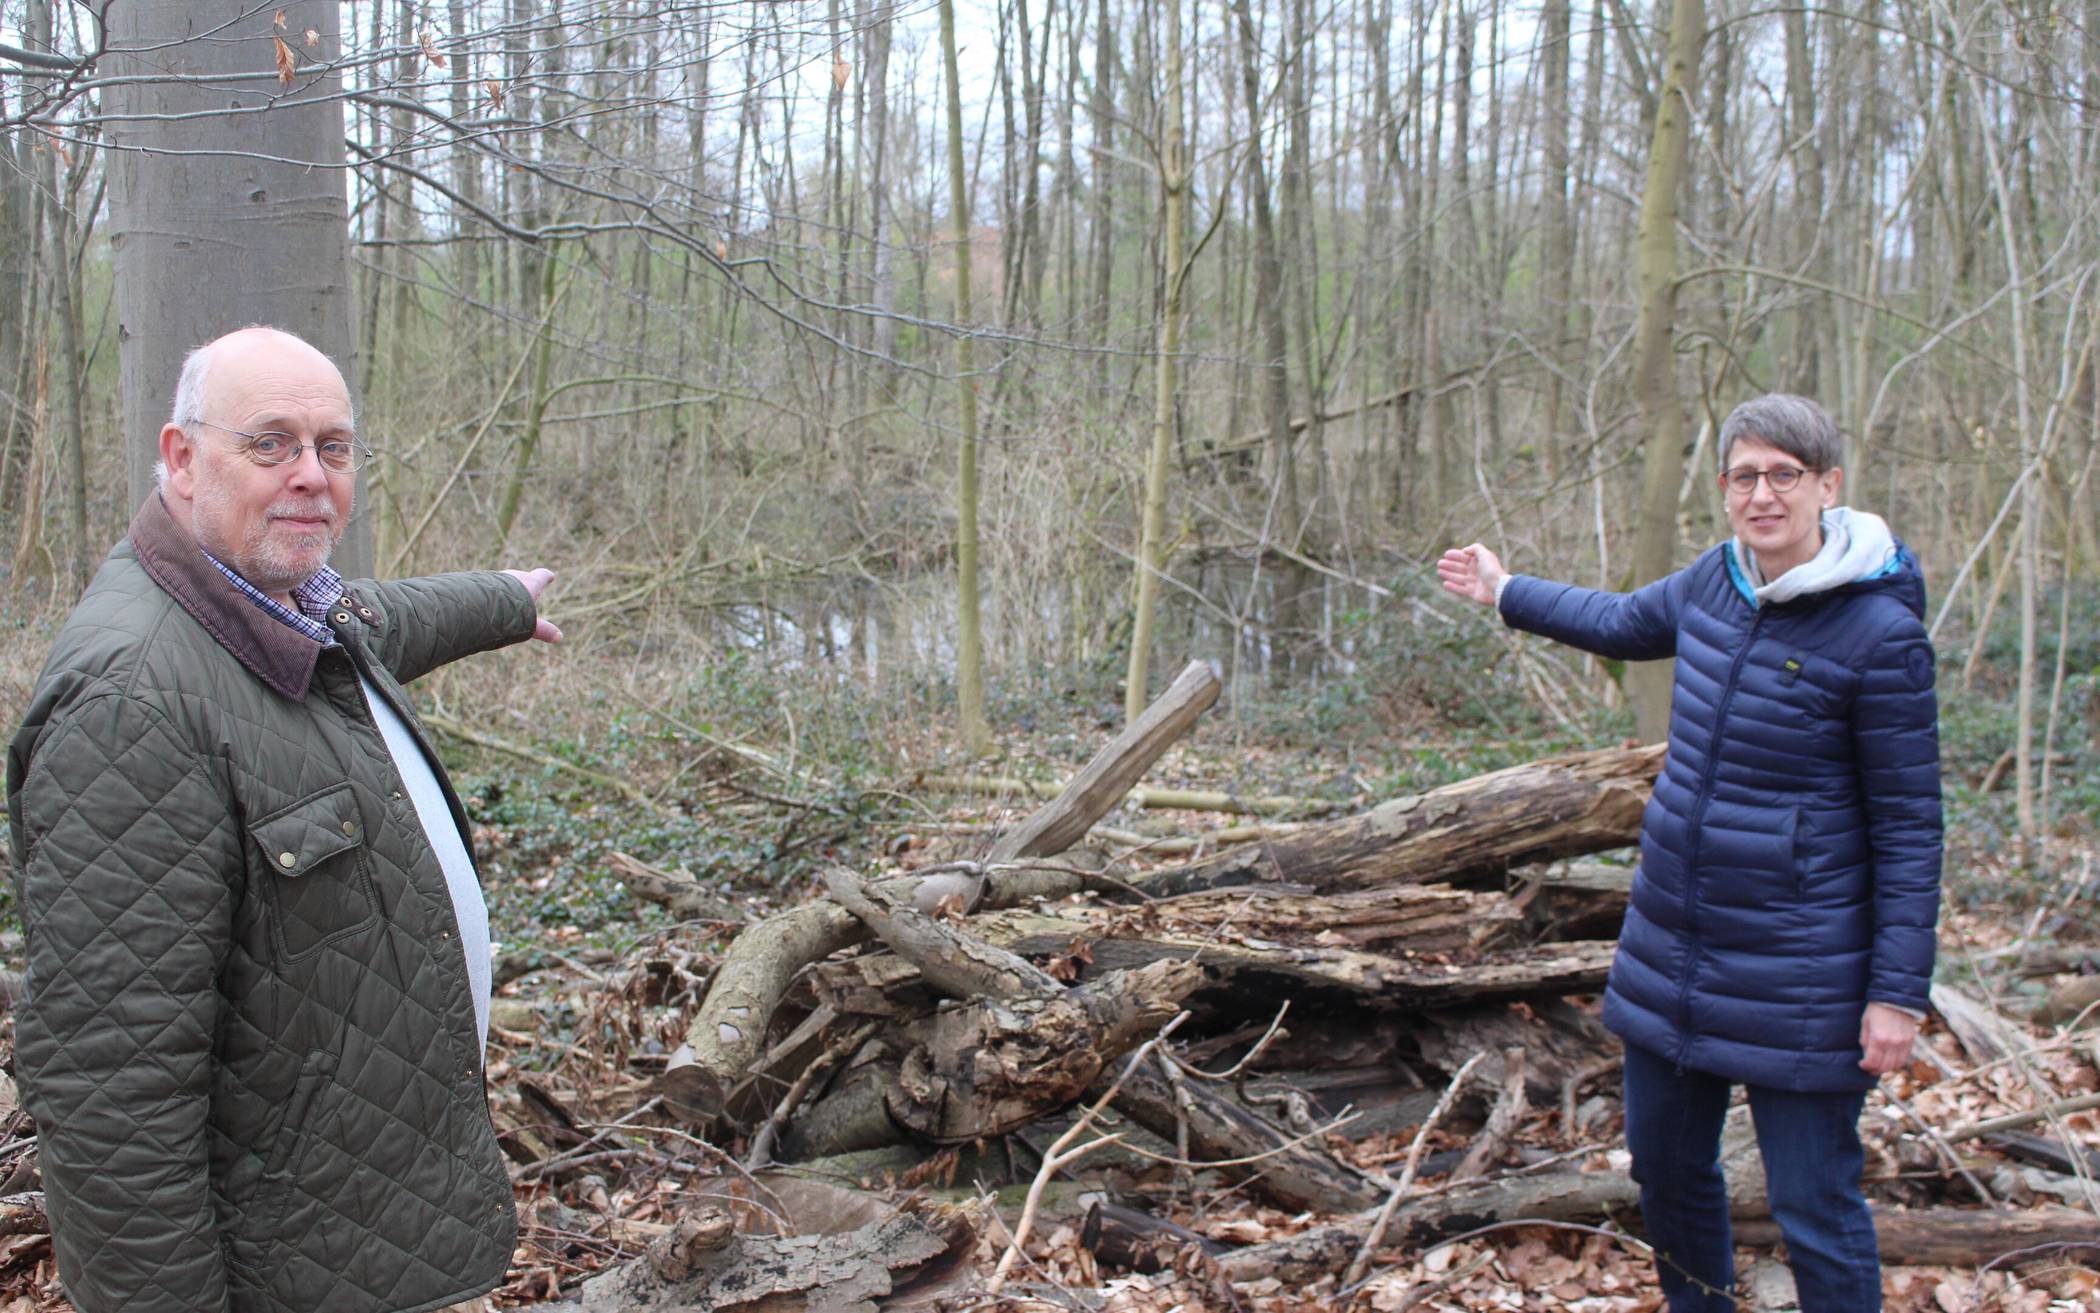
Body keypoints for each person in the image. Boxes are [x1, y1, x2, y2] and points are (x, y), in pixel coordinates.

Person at [7, 326, 563, 1313]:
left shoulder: (287, 605)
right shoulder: (133, 701)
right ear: (181, 458)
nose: (310, 474)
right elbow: (112, 1097)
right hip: (286, 1272)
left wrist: (503, 602)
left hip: (366, 1235)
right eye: (270, 444)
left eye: (333, 447)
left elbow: (386, 618)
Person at [1436, 394, 1941, 1312]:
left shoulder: (1879, 634)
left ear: (1828, 484)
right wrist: (1505, 591)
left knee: (1813, 1204)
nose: (1763, 494)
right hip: (1674, 948)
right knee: (1666, 1176)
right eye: (1745, 475)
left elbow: (1910, 823)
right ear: (1724, 489)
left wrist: (1897, 991)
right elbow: (1623, 622)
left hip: (1806, 971)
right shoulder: (1717, 580)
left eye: (1785, 474)